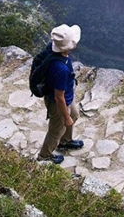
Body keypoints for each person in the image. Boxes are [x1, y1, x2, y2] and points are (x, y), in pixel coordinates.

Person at [38, 24, 84, 164]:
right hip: (58, 103)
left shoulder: (54, 52)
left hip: (66, 97)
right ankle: (44, 156)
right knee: (55, 130)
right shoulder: (61, 70)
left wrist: (69, 116)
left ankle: (65, 141)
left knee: (74, 114)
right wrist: (65, 117)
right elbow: (59, 98)